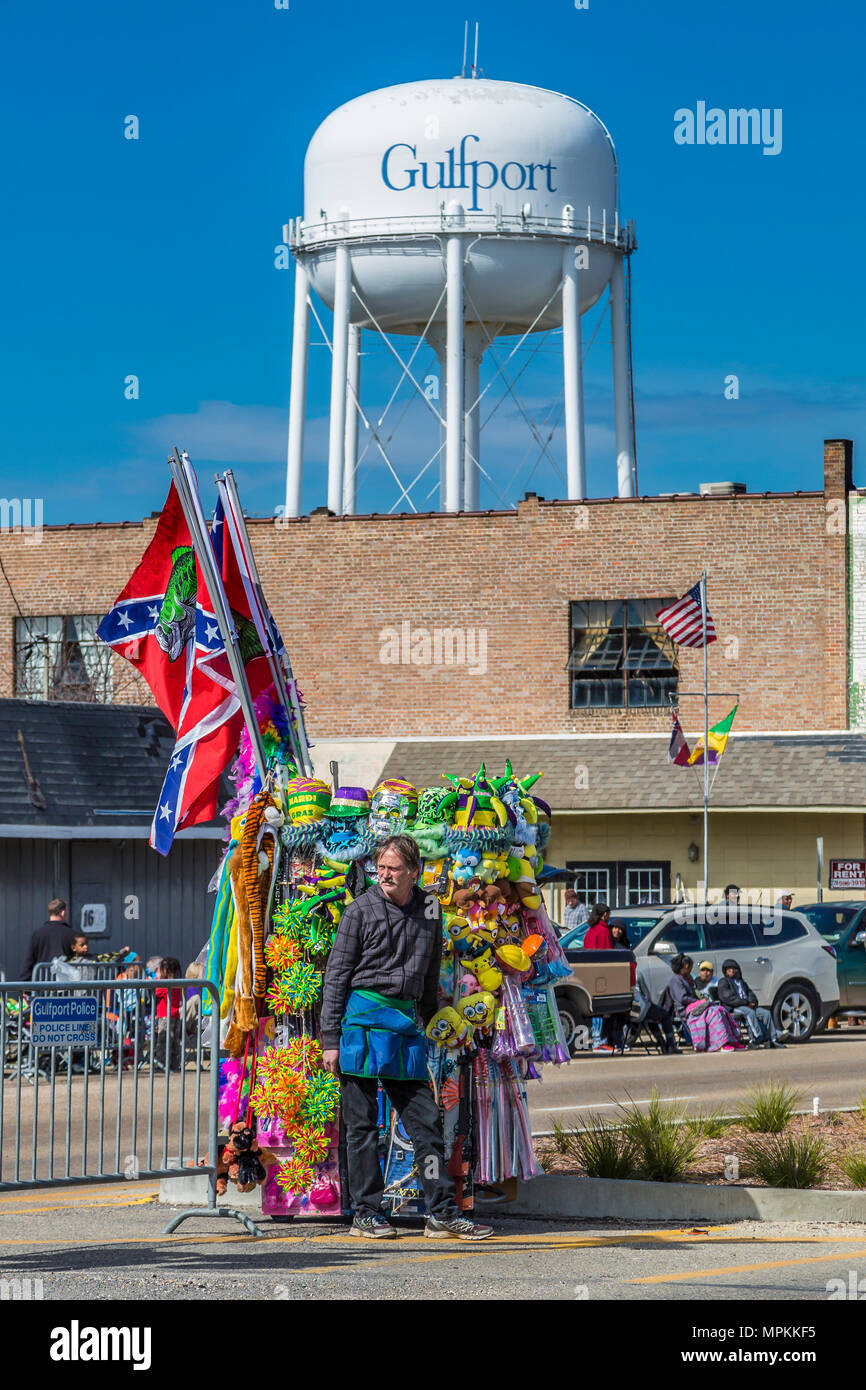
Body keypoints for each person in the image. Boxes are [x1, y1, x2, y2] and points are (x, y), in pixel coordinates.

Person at [320, 833, 492, 1242]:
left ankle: (442, 1213)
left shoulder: (430, 910)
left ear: (414, 872)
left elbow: (431, 975)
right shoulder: (358, 911)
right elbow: (336, 977)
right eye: (380, 868)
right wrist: (330, 1039)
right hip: (360, 1024)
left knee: (427, 1124)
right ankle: (367, 1211)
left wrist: (436, 1025)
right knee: (362, 1127)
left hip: (404, 1027)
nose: (384, 875)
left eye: (393, 869)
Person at [716, 959, 789, 1049]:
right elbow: (728, 998)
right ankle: (755, 1039)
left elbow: (751, 994)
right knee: (749, 1012)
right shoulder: (723, 982)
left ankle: (773, 1039)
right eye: (729, 969)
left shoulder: (742, 982)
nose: (732, 970)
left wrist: (753, 1002)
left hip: (747, 1005)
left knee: (766, 1013)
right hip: (733, 1007)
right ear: (725, 970)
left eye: (734, 968)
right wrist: (746, 1003)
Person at [582, 906, 614, 1052]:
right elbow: (607, 953)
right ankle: (598, 1041)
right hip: (602, 973)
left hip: (589, 972)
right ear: (605, 915)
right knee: (601, 1009)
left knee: (594, 1008)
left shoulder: (590, 931)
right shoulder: (604, 930)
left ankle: (595, 1040)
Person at [20, 898, 76, 980]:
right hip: (64, 985)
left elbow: (30, 960)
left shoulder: (38, 934)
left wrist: (25, 984)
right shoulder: (71, 934)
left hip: (42, 984)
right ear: (63, 913)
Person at [154, 957, 183, 1071]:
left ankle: (162, 1064)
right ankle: (174, 1064)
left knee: (163, 1039)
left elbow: (156, 991)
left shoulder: (165, 985)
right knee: (174, 1040)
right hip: (175, 1014)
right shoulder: (177, 983)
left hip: (165, 1015)